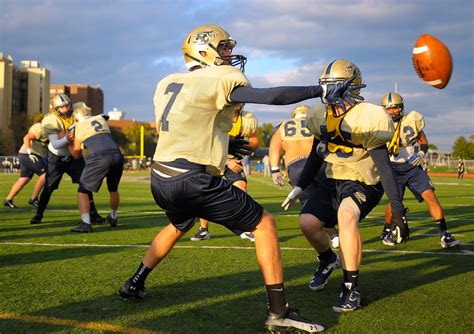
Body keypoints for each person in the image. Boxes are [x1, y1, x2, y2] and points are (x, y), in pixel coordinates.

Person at [117, 24, 362, 333]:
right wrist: (319, 90)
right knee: (265, 224)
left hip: (161, 176)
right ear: (204, 50)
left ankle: (134, 283)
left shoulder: (168, 81)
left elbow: (178, 125)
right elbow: (268, 97)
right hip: (191, 179)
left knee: (180, 224)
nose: (229, 54)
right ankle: (279, 312)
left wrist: (225, 142)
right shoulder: (220, 78)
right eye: (224, 48)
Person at [282, 59, 408, 312]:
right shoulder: (319, 114)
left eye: (334, 85)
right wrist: (300, 186)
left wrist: (397, 208)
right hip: (333, 178)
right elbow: (318, 152)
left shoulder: (368, 116)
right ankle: (328, 259)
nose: (328, 91)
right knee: (307, 223)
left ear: (351, 87)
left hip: (363, 180)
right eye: (325, 85)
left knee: (346, 216)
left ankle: (351, 289)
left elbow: (383, 166)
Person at [379, 92, 460, 248]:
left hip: (412, 166)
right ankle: (387, 231)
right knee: (395, 202)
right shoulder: (380, 124)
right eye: (388, 109)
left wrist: (421, 154)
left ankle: (445, 235)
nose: (391, 112)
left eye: (394, 108)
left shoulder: (412, 119)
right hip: (392, 168)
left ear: (401, 107)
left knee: (431, 196)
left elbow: (423, 141)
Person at [269, 104, 339, 249]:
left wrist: (275, 170)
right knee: (329, 197)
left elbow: (274, 147)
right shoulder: (316, 121)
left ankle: (332, 235)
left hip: (296, 167)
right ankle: (335, 232)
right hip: (319, 163)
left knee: (310, 203)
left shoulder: (284, 125)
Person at [30, 93, 104, 225]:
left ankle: (93, 214)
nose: (66, 108)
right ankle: (38, 214)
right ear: (56, 108)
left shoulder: (78, 110)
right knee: (49, 186)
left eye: (67, 105)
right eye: (62, 107)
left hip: (74, 156)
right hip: (57, 157)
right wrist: (67, 138)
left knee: (85, 184)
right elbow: (55, 144)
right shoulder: (51, 120)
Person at [190, 103, 259, 242]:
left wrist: (243, 147)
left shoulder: (246, 119)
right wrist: (226, 161)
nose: (237, 104)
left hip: (233, 160)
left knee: (241, 188)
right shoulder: (215, 116)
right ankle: (203, 230)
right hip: (212, 160)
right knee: (204, 194)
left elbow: (254, 140)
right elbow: (207, 143)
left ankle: (244, 226)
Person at [69, 102, 125, 233]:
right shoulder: (101, 119)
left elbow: (76, 153)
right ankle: (113, 216)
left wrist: (69, 144)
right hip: (117, 155)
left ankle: (85, 223)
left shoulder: (79, 126)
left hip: (100, 157)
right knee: (113, 189)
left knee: (82, 190)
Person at [4, 121, 48, 209]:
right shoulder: (41, 129)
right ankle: (34, 198)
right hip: (29, 154)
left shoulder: (52, 131)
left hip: (25, 154)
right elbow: (26, 137)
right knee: (45, 174)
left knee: (23, 179)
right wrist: (29, 152)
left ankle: (8, 200)